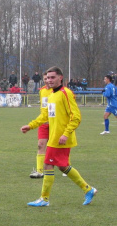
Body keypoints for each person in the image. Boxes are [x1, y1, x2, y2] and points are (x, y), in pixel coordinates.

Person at [20, 66, 97, 207]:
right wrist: (30, 126)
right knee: (62, 166)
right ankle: (88, 189)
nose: (49, 80)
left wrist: (66, 134)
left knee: (48, 164)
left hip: (60, 138)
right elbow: (45, 116)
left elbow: (76, 117)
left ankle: (44, 199)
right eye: (48, 78)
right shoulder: (51, 95)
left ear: (60, 78)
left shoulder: (65, 93)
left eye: (52, 77)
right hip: (55, 137)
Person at [29, 72, 51, 179]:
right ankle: (39, 171)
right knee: (41, 145)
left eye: (49, 78)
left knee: (59, 147)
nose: (47, 80)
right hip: (43, 123)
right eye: (45, 78)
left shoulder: (59, 91)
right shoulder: (42, 90)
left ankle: (65, 167)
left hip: (55, 124)